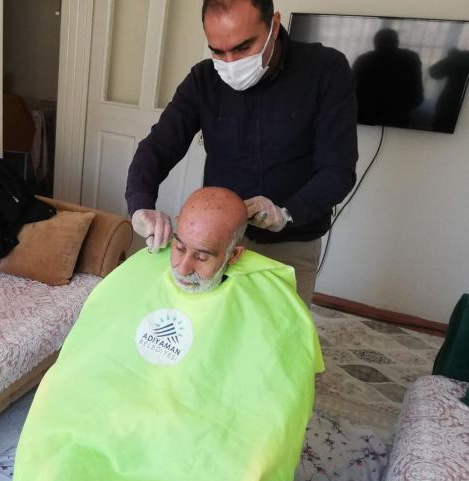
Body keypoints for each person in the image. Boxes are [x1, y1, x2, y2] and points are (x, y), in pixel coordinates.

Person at [0, 187, 323, 481]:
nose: (182, 267)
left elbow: (264, 415)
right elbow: (90, 356)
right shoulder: (141, 277)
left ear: (234, 255)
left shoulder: (266, 312)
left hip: (190, 449)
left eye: (202, 256)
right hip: (114, 426)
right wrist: (139, 209)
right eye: (179, 247)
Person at [126, 0, 358, 307]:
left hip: (291, 242)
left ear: (274, 25)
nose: (231, 63)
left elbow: (338, 170)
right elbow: (157, 147)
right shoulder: (204, 80)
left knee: (279, 331)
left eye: (243, 47)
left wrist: (286, 213)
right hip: (216, 243)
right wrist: (140, 205)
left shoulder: (325, 70)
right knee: (207, 324)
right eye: (217, 51)